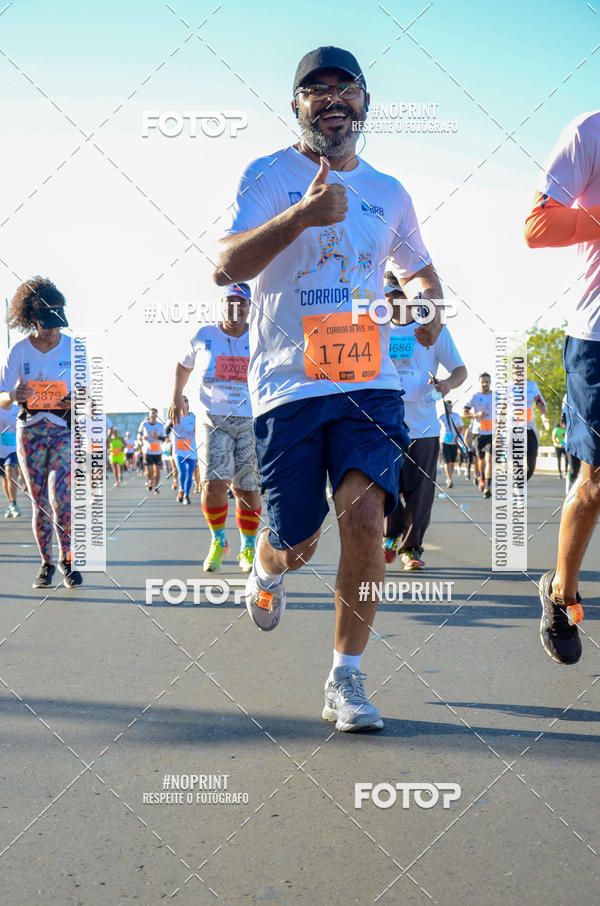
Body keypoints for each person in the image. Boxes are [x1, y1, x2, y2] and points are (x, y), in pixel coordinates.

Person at [213, 46, 443, 731]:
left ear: (366, 103)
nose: (333, 100)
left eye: (346, 89)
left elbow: (423, 273)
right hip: (287, 386)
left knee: (366, 518)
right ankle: (268, 564)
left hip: (369, 384)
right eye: (317, 90)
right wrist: (301, 217)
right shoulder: (265, 175)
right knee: (301, 538)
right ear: (297, 105)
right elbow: (226, 265)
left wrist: (428, 306)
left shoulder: (390, 192)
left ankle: (347, 680)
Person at [524, 110, 600, 665]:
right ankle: (562, 592)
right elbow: (538, 227)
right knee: (595, 483)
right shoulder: (586, 132)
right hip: (596, 338)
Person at [169, 284, 262, 573]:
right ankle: (218, 541)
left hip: (250, 421)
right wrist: (176, 395)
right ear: (221, 306)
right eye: (230, 304)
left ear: (249, 308)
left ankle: (248, 547)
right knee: (213, 483)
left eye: (242, 304)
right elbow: (184, 365)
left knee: (247, 489)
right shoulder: (204, 335)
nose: (236, 310)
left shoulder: (260, 336)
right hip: (213, 419)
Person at [0, 277, 82, 588]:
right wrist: (14, 396)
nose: (52, 330)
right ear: (32, 319)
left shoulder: (75, 349)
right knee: (39, 502)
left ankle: (68, 559)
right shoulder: (19, 352)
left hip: (62, 429)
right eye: (46, 323)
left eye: (57, 323)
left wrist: (74, 401)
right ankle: (46, 563)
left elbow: (89, 395)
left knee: (61, 499)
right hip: (29, 432)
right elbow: (1, 394)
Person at [382, 282, 466, 568]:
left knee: (421, 492)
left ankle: (410, 550)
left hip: (425, 426)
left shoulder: (432, 329)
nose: (392, 299)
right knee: (384, 485)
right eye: (388, 294)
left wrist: (445, 385)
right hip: (386, 424)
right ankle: (391, 535)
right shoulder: (376, 330)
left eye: (398, 293)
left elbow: (460, 370)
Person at [464, 373, 493, 498]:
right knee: (480, 460)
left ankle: (487, 487)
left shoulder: (496, 396)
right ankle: (481, 476)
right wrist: (476, 416)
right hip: (478, 433)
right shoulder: (474, 396)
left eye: (487, 381)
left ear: (490, 382)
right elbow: (464, 413)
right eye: (483, 382)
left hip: (492, 433)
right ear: (480, 382)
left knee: (489, 459)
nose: (485, 384)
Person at [166, 395, 197, 505]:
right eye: (182, 401)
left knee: (190, 474)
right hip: (179, 451)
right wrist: (171, 420)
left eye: (186, 401)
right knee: (182, 472)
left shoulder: (194, 417)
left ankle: (186, 495)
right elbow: (165, 431)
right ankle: (181, 490)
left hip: (192, 451)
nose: (184, 404)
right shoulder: (174, 417)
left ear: (188, 404)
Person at [137, 408, 166, 494]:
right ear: (149, 415)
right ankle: (150, 480)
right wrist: (141, 439)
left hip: (157, 451)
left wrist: (158, 437)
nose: (153, 415)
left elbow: (164, 438)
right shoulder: (144, 424)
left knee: (157, 470)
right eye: (152, 414)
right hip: (147, 450)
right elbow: (139, 434)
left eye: (155, 414)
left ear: (157, 415)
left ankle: (156, 487)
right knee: (149, 470)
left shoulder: (160, 425)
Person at [438, 401, 465, 488]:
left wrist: (457, 436)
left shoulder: (456, 416)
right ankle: (449, 479)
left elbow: (462, 427)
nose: (448, 407)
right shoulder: (441, 417)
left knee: (452, 462)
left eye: (449, 406)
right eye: (446, 406)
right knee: (447, 461)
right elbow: (437, 429)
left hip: (454, 441)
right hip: (444, 440)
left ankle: (449, 476)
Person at [0, 403, 20, 517]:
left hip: (13, 447)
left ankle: (13, 503)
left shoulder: (17, 410)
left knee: (10, 471)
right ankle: (10, 504)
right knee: (4, 477)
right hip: (0, 448)